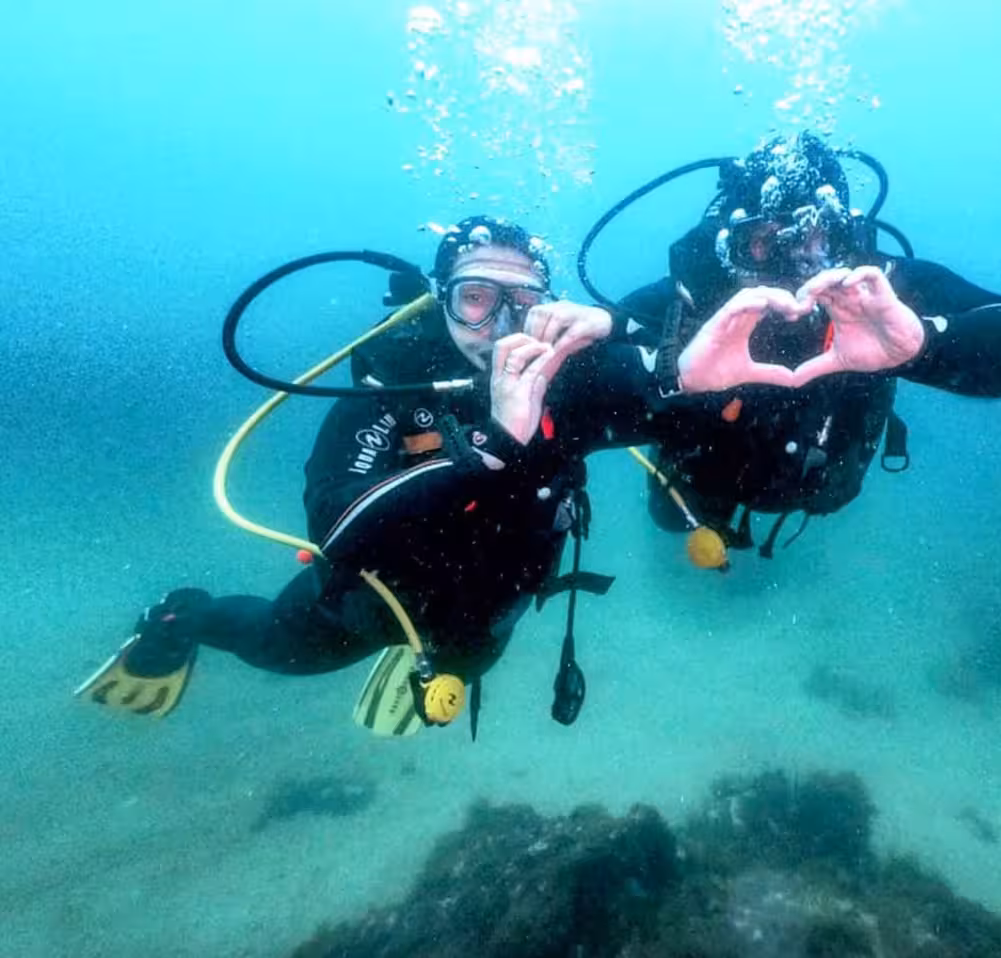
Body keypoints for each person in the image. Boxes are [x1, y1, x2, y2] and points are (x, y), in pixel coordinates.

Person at [76, 216, 801, 732]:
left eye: (523, 301)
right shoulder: (395, 384)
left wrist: (693, 383)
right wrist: (491, 446)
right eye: (477, 297)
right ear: (443, 298)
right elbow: (337, 523)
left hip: (492, 607)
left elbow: (663, 410)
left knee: (472, 661)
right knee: (276, 647)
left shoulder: (568, 383)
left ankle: (430, 666)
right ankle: (181, 615)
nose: (501, 322)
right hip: (371, 598)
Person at [613, 130, 1001, 556]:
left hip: (822, 480)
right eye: (768, 241)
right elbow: (580, 379)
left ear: (844, 234)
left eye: (816, 235)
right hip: (706, 486)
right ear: (732, 241)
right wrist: (653, 365)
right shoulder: (697, 295)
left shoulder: (876, 291)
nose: (798, 262)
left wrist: (922, 344)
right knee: (671, 517)